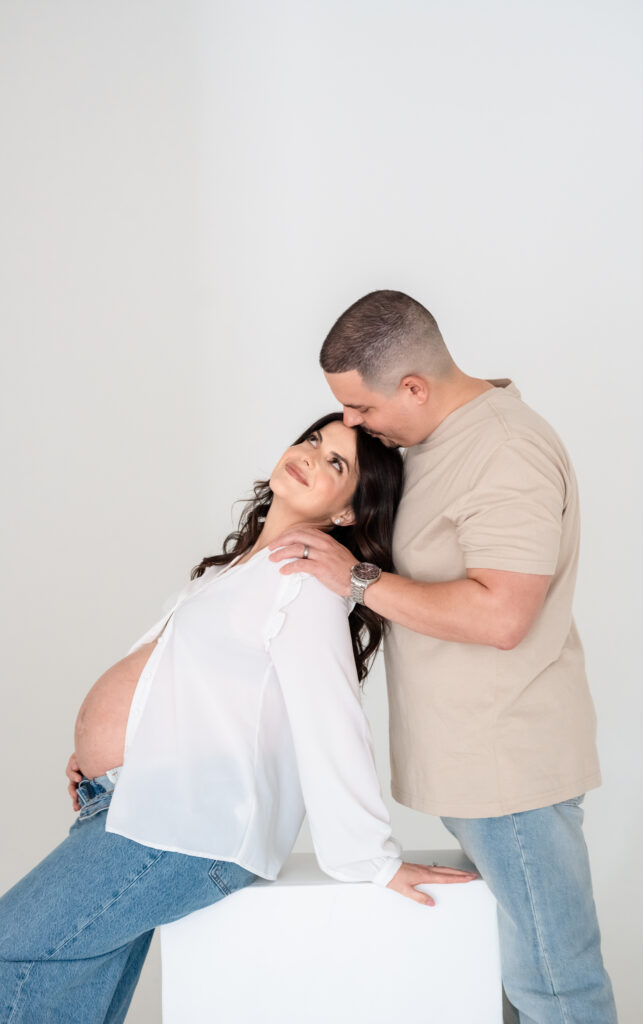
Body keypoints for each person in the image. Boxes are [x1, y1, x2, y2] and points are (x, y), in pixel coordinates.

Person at [0, 411, 476, 1024]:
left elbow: (329, 717)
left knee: (16, 951)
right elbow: (196, 690)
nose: (311, 455)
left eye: (336, 463)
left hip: (185, 829)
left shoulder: (305, 580)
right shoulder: (238, 570)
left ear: (348, 512)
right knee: (70, 992)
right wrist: (110, 754)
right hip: (134, 807)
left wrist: (371, 858)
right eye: (313, 440)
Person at [269, 292, 618, 1024]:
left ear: (414, 387)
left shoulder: (503, 450)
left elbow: (502, 615)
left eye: (361, 408)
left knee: (556, 986)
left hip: (510, 769)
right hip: (480, 770)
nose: (351, 423)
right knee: (520, 982)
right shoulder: (435, 443)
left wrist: (356, 579)